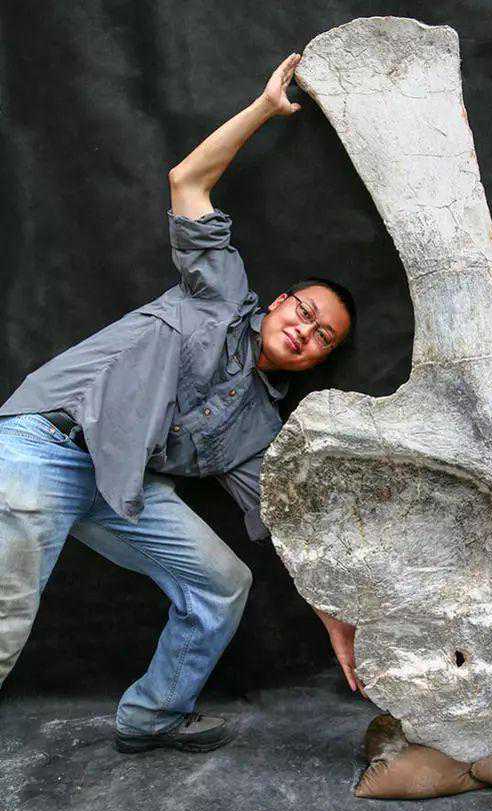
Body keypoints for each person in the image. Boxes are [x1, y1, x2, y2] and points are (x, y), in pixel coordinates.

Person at [0, 52, 366, 754]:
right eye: (305, 311)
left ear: (318, 359)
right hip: (45, 445)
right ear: (279, 302)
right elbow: (187, 180)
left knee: (223, 582)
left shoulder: (261, 432)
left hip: (121, 488)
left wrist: (336, 621)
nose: (306, 329)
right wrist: (265, 108)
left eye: (322, 336)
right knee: (4, 620)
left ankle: (153, 715)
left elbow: (289, 533)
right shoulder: (220, 292)